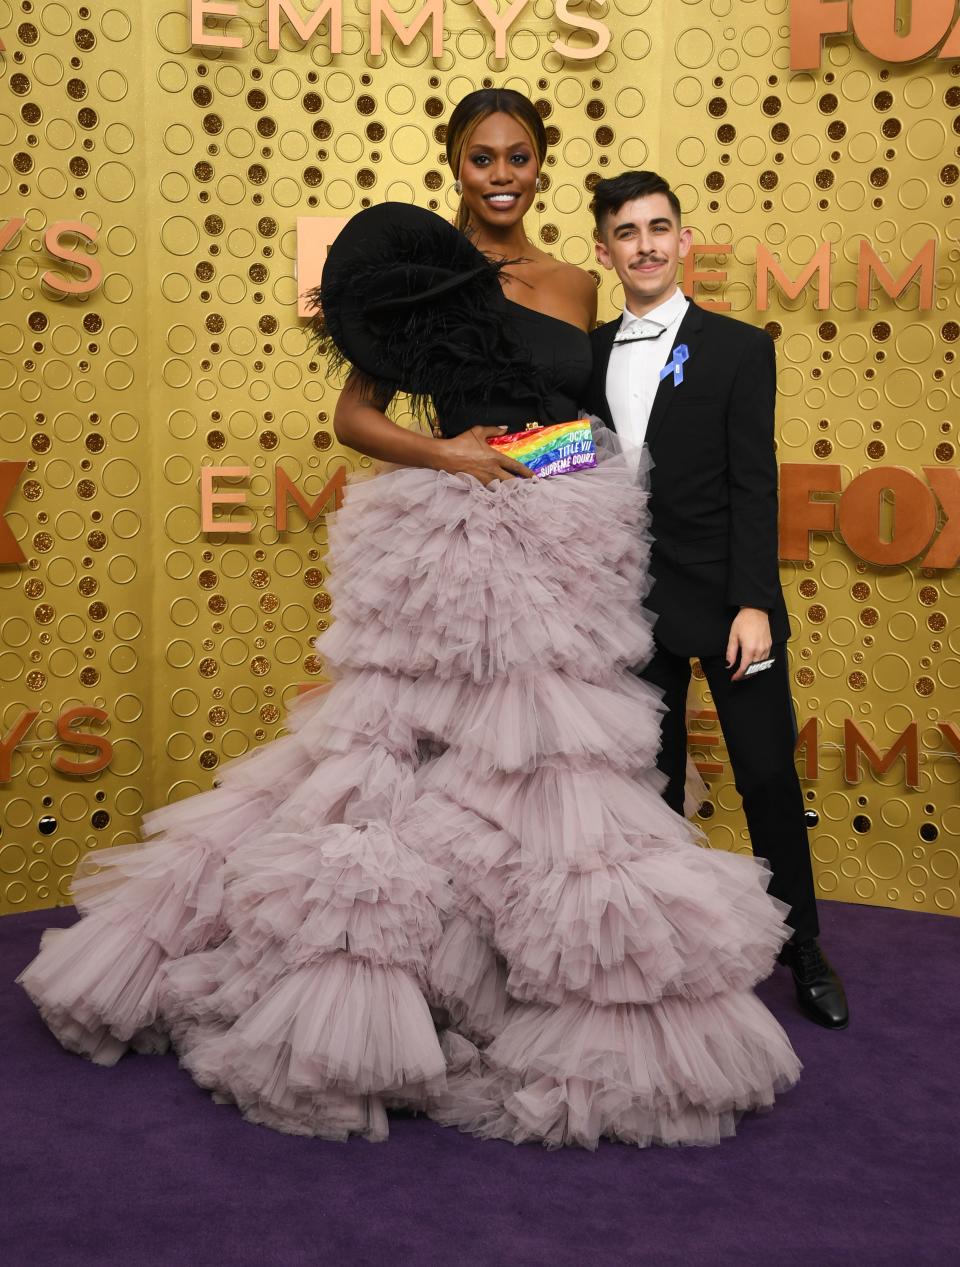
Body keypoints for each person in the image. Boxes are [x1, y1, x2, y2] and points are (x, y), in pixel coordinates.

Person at [18, 91, 801, 1147]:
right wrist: (453, 455)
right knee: (410, 759)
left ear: (541, 163)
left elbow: (591, 427)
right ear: (456, 164)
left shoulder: (580, 281)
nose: (501, 173)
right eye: (482, 158)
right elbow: (353, 416)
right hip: (457, 541)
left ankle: (529, 976)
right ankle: (395, 987)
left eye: (519, 156)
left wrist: (560, 473)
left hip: (571, 539)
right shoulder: (425, 277)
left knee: (550, 773)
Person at [584, 170, 849, 1030]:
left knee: (767, 775)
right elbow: (565, 461)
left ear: (686, 240)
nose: (647, 244)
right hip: (630, 611)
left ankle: (803, 946)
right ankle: (669, 958)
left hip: (729, 604)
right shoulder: (584, 355)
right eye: (628, 232)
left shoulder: (740, 347)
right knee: (651, 791)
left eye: (661, 227)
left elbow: (754, 485)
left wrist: (754, 603)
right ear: (605, 250)